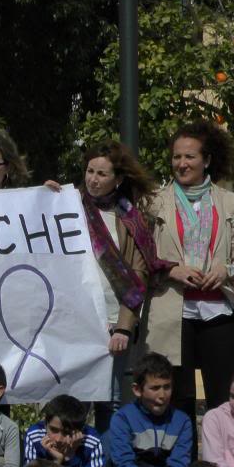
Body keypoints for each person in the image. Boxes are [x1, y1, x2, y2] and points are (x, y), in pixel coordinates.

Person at [142, 120, 234, 449]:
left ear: (206, 159)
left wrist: (226, 272)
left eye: (190, 156)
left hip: (218, 311)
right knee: (178, 399)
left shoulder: (230, 202)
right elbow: (142, 262)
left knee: (222, 399)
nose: (182, 164)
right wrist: (170, 271)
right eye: (176, 157)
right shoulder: (154, 202)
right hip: (172, 313)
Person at [75, 141, 173, 432]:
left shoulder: (130, 217)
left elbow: (139, 273)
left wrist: (124, 326)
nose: (93, 179)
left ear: (117, 180)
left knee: (113, 399)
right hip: (78, 319)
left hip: (113, 321)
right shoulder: (69, 207)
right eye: (90, 171)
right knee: (75, 399)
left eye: (102, 174)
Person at [107, 353, 193, 467]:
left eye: (167, 387)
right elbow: (124, 463)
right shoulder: (123, 418)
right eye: (155, 388)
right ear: (137, 390)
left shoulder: (182, 421)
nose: (162, 395)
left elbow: (180, 462)